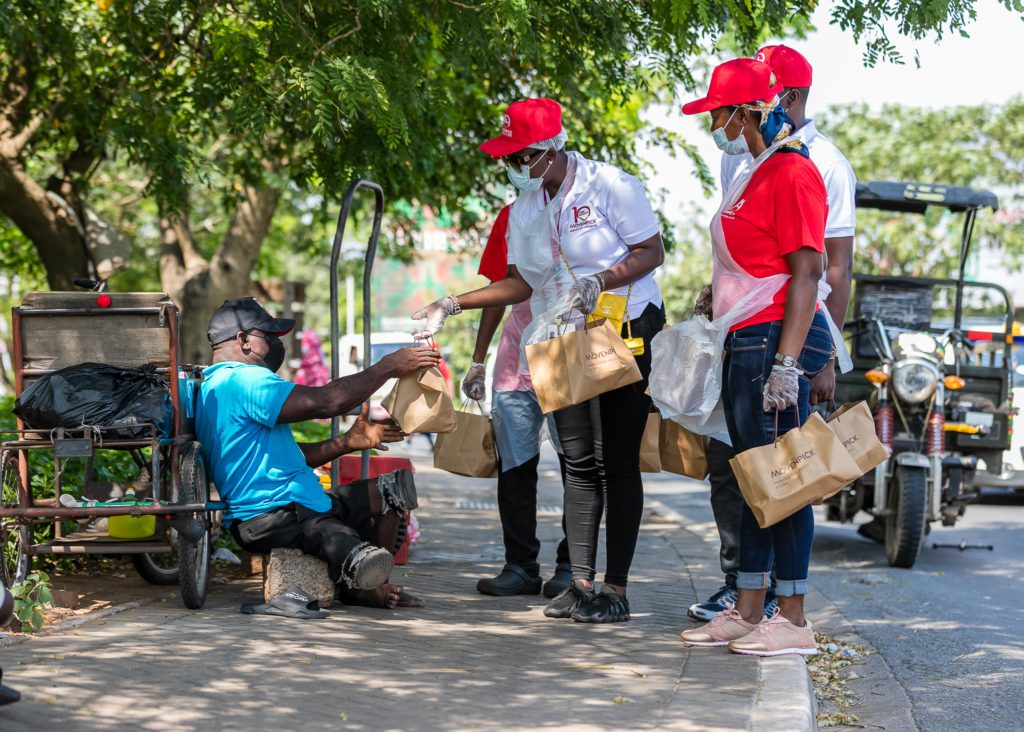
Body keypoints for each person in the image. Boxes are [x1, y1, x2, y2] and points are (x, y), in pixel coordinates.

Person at [411, 98, 666, 624]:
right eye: (509, 158)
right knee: (578, 465)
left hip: (623, 327)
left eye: (520, 156)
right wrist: (451, 304)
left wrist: (601, 280)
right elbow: (521, 283)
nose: (513, 167)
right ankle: (580, 582)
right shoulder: (526, 209)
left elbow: (650, 251)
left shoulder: (610, 186)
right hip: (558, 334)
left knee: (616, 460)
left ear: (550, 149)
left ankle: (614, 590)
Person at [689, 44, 858, 622]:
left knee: (784, 482)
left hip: (771, 344)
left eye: (720, 114)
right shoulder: (754, 169)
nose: (714, 126)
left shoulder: (794, 170)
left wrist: (793, 364)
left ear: (753, 111)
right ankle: (748, 607)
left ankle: (791, 619)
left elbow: (811, 272)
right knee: (754, 479)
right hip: (746, 337)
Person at [196, 298, 441, 608]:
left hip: (295, 507)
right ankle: (365, 578)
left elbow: (280, 455)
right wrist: (387, 367)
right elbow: (327, 402)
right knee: (342, 542)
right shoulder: (245, 380)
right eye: (266, 335)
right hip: (275, 515)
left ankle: (369, 582)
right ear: (243, 340)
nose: (275, 343)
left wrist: (346, 442)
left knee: (394, 489)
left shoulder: (215, 385)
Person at [463, 204, 572, 598]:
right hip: (516, 358)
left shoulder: (581, 210)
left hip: (567, 353)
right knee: (514, 469)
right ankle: (521, 566)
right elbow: (498, 289)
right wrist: (478, 360)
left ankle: (572, 565)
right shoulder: (510, 216)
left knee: (575, 467)